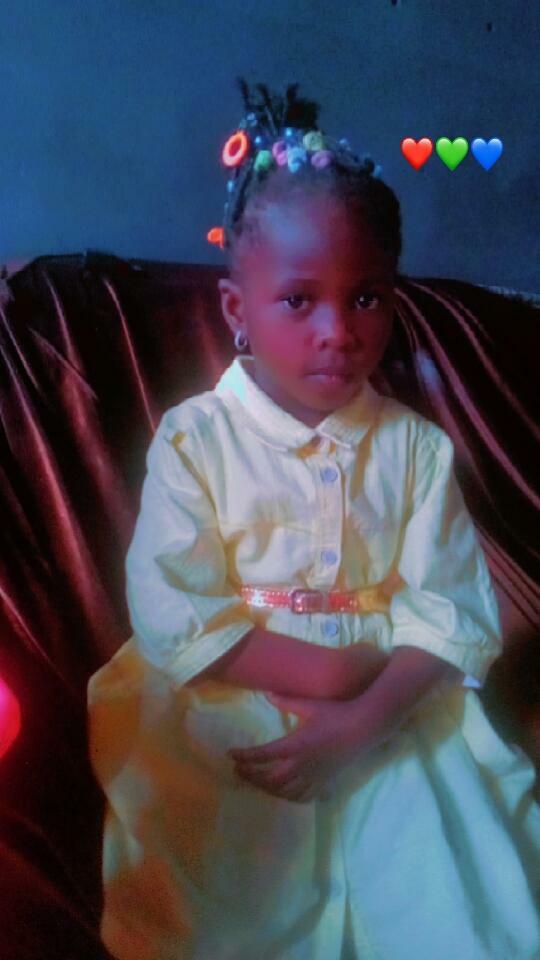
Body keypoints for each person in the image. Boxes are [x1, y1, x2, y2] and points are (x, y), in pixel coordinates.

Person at [87, 78, 540, 960]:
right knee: (219, 899)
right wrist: (326, 673)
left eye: (366, 296)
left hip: (388, 698)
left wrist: (364, 718)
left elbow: (449, 609)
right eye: (300, 300)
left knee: (448, 886)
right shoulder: (195, 439)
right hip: (226, 690)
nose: (338, 329)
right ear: (238, 310)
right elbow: (173, 606)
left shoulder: (415, 449)